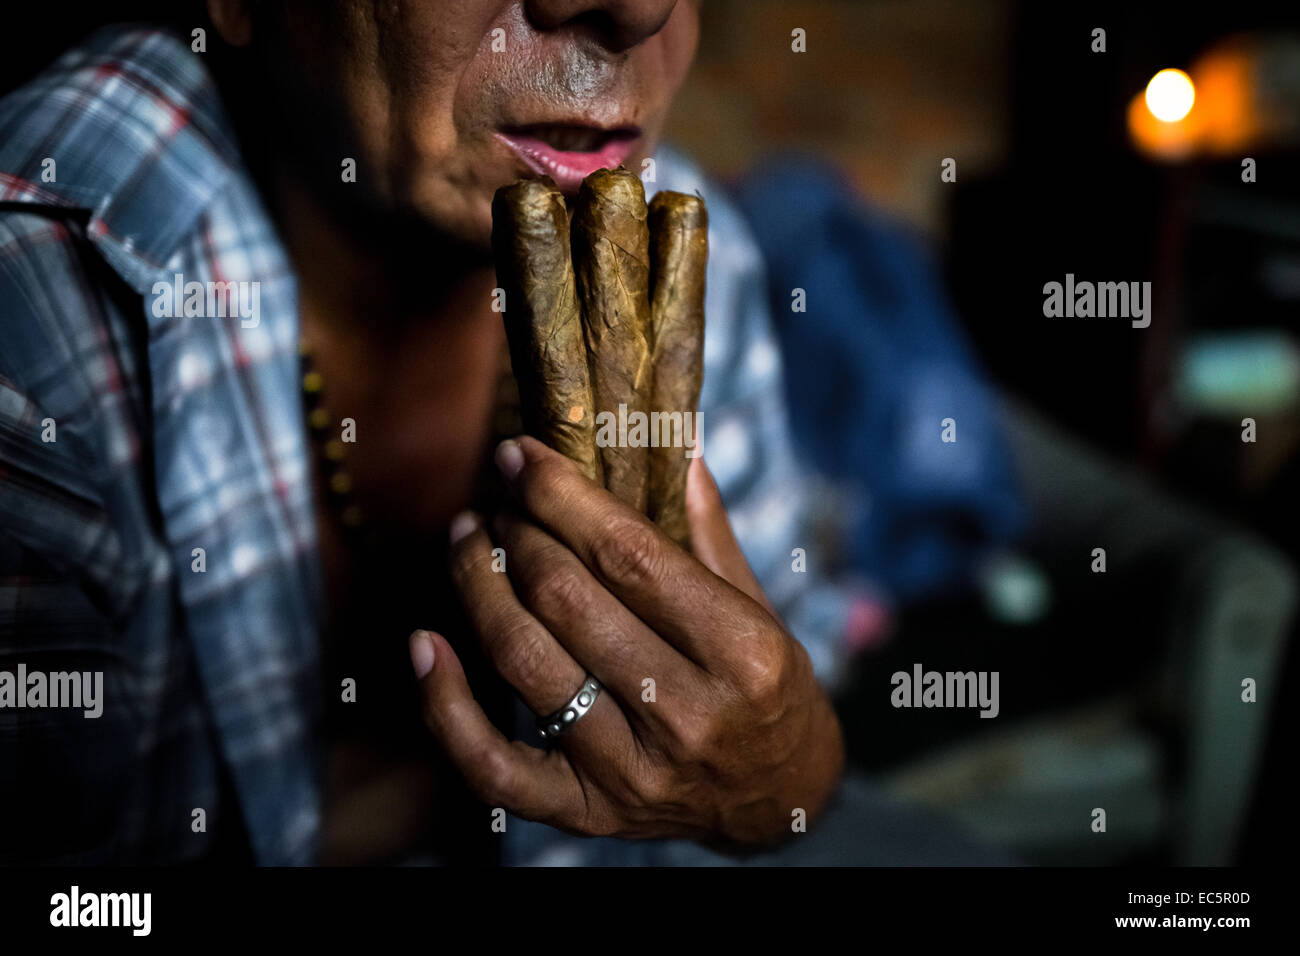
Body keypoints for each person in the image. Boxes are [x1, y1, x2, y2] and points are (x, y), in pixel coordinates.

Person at [0, 1, 1003, 866]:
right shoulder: (36, 310)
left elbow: (771, 695)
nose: (637, 9)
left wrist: (793, 765)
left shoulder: (681, 250)